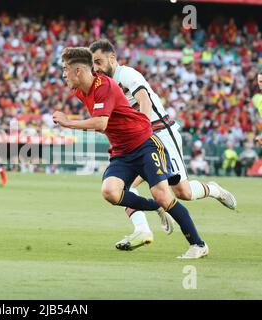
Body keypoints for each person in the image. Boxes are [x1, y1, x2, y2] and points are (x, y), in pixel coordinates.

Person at [53, 47, 208, 259]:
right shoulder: (80, 91)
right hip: (122, 151)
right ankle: (158, 208)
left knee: (164, 193)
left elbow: (101, 123)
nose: (63, 74)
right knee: (110, 192)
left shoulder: (105, 85)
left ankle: (198, 245)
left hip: (145, 144)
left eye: (65, 69)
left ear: (78, 71)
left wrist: (68, 122)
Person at [89, 39, 236, 250]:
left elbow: (144, 101)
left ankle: (214, 190)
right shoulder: (105, 86)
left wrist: (142, 130)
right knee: (123, 187)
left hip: (160, 132)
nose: (96, 68)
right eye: (93, 64)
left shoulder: (127, 74)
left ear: (112, 58)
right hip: (141, 140)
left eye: (99, 62)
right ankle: (142, 230)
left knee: (182, 192)